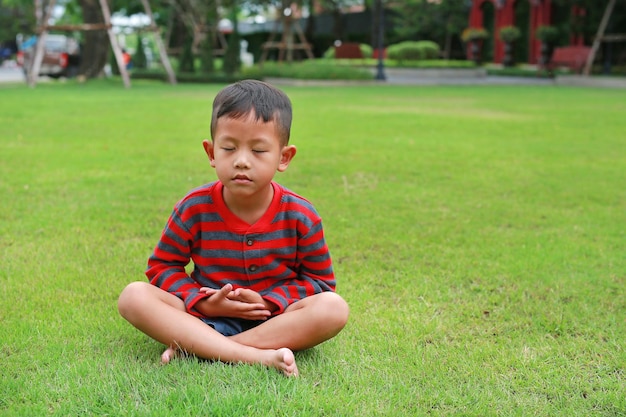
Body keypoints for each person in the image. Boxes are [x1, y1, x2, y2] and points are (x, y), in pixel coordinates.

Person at [118, 80, 349, 377]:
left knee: (333, 308)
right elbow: (163, 267)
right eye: (229, 148)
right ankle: (251, 355)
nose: (241, 161)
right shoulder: (194, 207)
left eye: (258, 150)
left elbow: (320, 283)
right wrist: (204, 303)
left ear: (284, 157)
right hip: (204, 316)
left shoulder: (301, 215)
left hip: (274, 321)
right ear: (212, 152)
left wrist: (269, 301)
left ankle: (205, 349)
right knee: (134, 296)